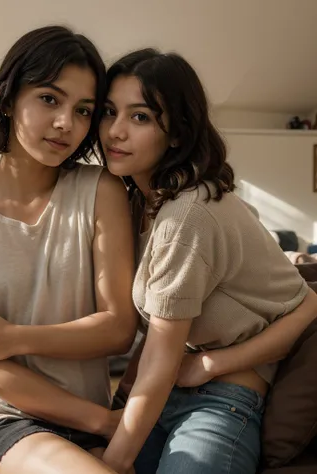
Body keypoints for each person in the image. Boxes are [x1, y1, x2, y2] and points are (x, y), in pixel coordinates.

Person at [0, 26, 137, 474]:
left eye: (83, 110)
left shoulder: (102, 190)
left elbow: (118, 329)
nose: (66, 124)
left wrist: (14, 336)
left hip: (88, 416)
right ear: (7, 98)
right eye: (50, 99)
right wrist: (108, 423)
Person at [99, 48, 317, 474]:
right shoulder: (131, 202)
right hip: (167, 390)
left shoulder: (188, 213)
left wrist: (111, 463)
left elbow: (305, 303)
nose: (115, 131)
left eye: (140, 116)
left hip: (224, 400)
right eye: (109, 112)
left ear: (177, 132)